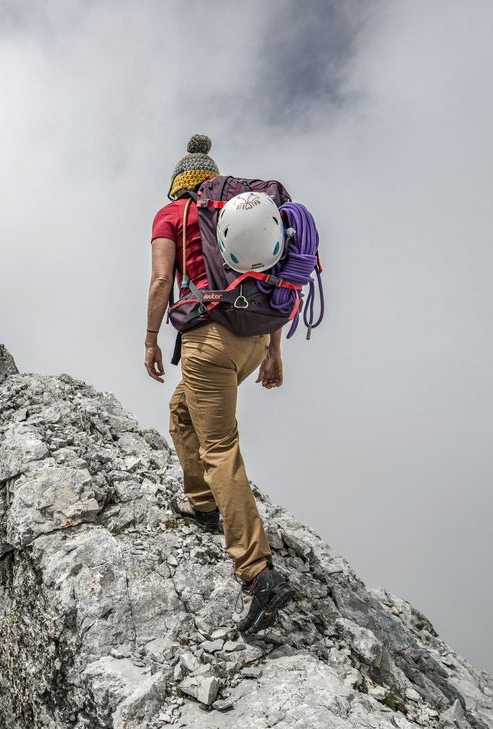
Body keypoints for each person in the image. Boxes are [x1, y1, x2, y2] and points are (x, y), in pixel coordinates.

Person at [144, 134, 293, 634]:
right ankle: (204, 505)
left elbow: (162, 282)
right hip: (250, 341)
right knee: (181, 412)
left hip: (207, 343)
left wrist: (149, 339)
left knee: (219, 447)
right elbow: (269, 278)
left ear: (176, 184)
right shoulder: (239, 212)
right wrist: (273, 353)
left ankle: (257, 574)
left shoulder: (171, 217)